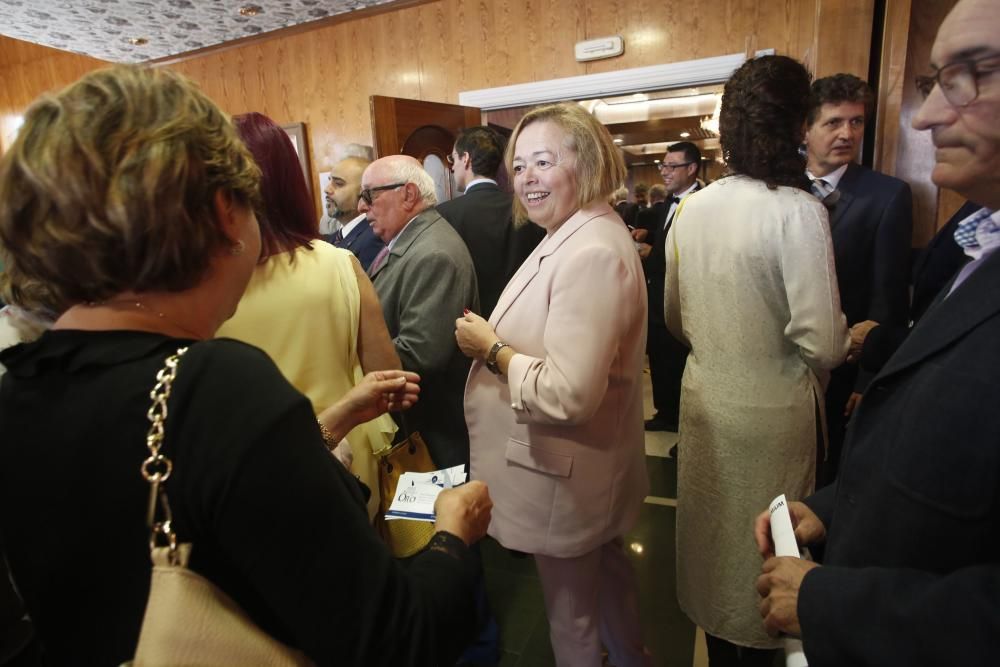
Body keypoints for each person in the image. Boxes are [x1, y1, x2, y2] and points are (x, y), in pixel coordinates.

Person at [0, 65, 492, 667]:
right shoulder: (215, 385)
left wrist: (331, 421)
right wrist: (451, 535)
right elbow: (396, 637)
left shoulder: (21, 383)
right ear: (223, 214)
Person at [754, 2, 1000, 664]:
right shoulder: (975, 230)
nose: (927, 117)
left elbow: (893, 307)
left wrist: (867, 380)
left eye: (974, 74)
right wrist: (838, 507)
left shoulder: (889, 196)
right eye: (937, 82)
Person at [664, 55, 849, 666]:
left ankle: (716, 644)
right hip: (772, 411)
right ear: (798, 124)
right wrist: (856, 335)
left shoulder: (693, 209)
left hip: (707, 398)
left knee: (712, 545)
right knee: (767, 549)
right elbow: (823, 343)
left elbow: (674, 318)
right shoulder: (798, 213)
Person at [456, 102, 651, 667]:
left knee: (573, 625)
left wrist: (492, 349)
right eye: (519, 166)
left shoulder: (588, 248)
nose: (527, 179)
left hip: (565, 477)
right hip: (584, 470)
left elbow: (568, 393)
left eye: (543, 162)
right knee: (609, 588)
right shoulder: (573, 230)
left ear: (586, 164)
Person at [216, 112, 399, 520]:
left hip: (254, 466)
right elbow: (388, 375)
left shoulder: (207, 285)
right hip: (347, 451)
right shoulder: (340, 265)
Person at [803, 73, 913, 485]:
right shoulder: (780, 189)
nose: (847, 133)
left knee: (832, 472)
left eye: (856, 122)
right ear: (807, 128)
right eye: (833, 122)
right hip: (785, 365)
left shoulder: (886, 195)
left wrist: (871, 377)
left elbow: (889, 295)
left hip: (848, 364)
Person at [360, 155, 480, 469]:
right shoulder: (414, 242)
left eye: (370, 195)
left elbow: (419, 355)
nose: (362, 207)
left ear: (409, 195)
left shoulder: (434, 253)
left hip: (431, 438)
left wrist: (350, 358)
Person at [437, 126, 544, 318]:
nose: (451, 167)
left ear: (466, 158)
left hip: (466, 320)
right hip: (522, 316)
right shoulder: (527, 209)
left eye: (453, 158)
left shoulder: (443, 215)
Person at [641, 142, 702, 433]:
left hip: (683, 298)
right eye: (662, 166)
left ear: (691, 169)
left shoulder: (702, 203)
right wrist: (651, 239)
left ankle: (681, 417)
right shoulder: (668, 201)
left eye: (672, 166)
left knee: (678, 359)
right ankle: (665, 412)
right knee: (660, 355)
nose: (664, 172)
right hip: (656, 296)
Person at [323, 156, 385, 271]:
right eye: (329, 181)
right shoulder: (331, 239)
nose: (327, 189)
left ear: (363, 192)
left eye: (338, 183)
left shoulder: (373, 238)